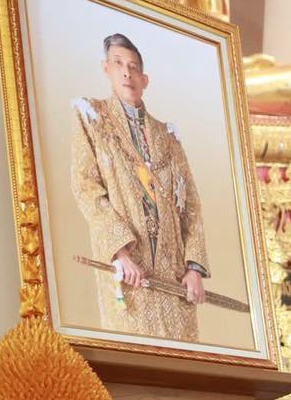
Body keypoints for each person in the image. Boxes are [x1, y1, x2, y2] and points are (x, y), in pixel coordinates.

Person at [71, 33, 209, 342]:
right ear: (105, 68)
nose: (126, 73)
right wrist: (120, 252)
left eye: (133, 67)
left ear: (145, 79)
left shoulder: (168, 136)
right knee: (136, 371)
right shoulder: (92, 117)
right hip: (130, 273)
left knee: (183, 373)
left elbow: (191, 205)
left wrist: (194, 269)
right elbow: (86, 187)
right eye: (118, 64)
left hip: (175, 280)